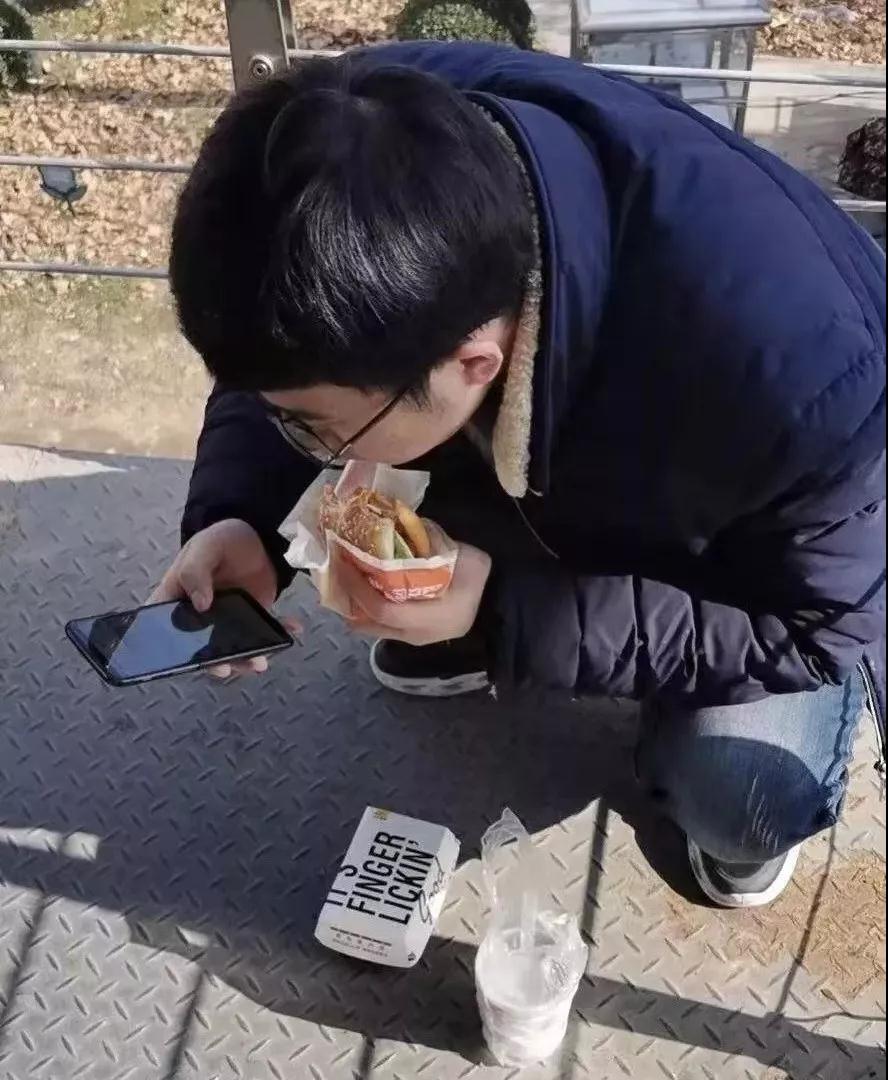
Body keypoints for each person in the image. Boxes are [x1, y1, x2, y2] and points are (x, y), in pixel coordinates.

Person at [152, 44, 886, 909]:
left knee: (742, 796)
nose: (307, 445)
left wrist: (505, 612)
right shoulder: (344, 146)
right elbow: (285, 355)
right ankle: (508, 609)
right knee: (409, 522)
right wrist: (241, 513)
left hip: (770, 565)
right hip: (590, 436)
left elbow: (814, 631)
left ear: (475, 363)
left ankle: (677, 719)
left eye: (316, 428)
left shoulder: (809, 384)